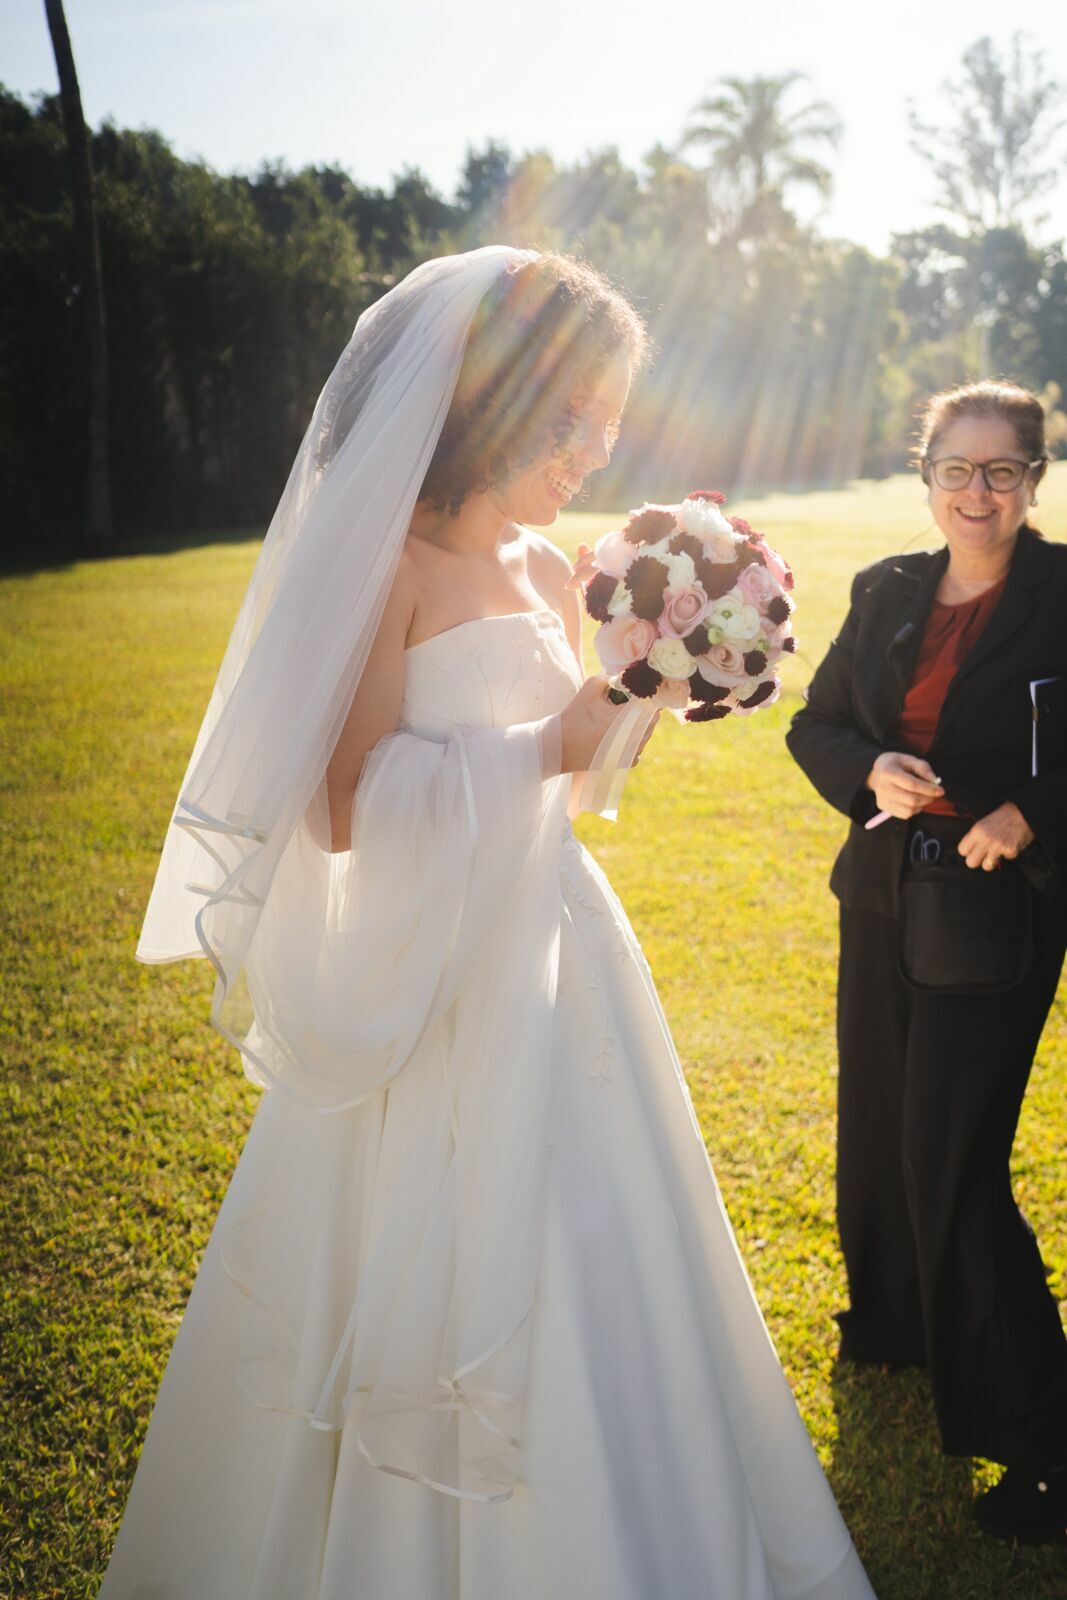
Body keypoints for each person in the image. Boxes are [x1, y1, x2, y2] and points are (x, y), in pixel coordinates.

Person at [99, 246, 876, 1598]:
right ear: (481, 402)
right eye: (566, 418)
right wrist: (542, 743)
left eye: (608, 420)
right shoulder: (385, 564)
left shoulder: (548, 563)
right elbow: (339, 809)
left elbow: (572, 772)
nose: (594, 449)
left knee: (608, 1237)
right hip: (433, 984)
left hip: (559, 953)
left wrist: (645, 689)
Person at [787, 380, 1067, 1546]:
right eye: (956, 466)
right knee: (877, 1131)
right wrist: (870, 771)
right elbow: (815, 723)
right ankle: (895, 1327)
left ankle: (1045, 1439)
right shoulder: (884, 587)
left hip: (995, 917)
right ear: (925, 473)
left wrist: (1031, 810)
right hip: (882, 901)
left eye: (1002, 469)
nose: (977, 491)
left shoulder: (1063, 594)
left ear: (1034, 479)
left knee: (948, 1162)